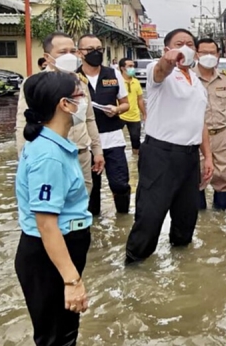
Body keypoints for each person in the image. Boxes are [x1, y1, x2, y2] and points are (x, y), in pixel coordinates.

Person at [15, 71, 92, 346]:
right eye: (79, 95)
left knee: (62, 329)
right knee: (56, 338)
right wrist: (72, 282)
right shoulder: (49, 156)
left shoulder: (54, 145)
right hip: (49, 253)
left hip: (59, 249)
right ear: (64, 104)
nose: (84, 102)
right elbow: (46, 224)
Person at [125, 29, 213, 264]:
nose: (185, 48)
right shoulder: (157, 71)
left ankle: (183, 266)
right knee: (150, 216)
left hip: (189, 156)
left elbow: (200, 122)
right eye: (179, 43)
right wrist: (168, 60)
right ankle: (135, 263)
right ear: (167, 49)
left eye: (190, 44)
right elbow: (161, 70)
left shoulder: (197, 82)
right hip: (160, 155)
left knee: (187, 217)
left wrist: (208, 157)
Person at [16, 32, 104, 196]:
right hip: (51, 157)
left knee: (81, 201)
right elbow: (23, 121)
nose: (69, 56)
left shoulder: (80, 82)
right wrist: (23, 157)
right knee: (51, 201)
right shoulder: (35, 84)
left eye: (73, 51)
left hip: (81, 153)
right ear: (47, 57)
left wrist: (97, 151)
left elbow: (89, 119)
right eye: (63, 52)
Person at [77, 35, 131, 215]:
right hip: (86, 141)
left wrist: (116, 109)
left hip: (113, 138)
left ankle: (123, 220)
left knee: (120, 184)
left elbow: (126, 104)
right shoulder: (73, 77)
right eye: (90, 49)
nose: (95, 53)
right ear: (80, 53)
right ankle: (93, 222)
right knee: (91, 188)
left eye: (99, 49)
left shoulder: (113, 74)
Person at [195, 38, 226, 211]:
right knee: (197, 177)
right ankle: (201, 218)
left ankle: (221, 218)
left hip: (221, 135)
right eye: (204, 52)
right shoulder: (189, 78)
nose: (208, 56)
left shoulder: (225, 79)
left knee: (223, 177)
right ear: (196, 54)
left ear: (218, 55)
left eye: (212, 53)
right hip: (196, 137)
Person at [118, 58, 146, 156]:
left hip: (134, 116)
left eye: (133, 66)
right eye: (130, 66)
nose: (132, 68)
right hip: (120, 116)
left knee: (136, 142)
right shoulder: (117, 81)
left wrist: (144, 114)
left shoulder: (136, 82)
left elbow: (140, 99)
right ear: (122, 68)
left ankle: (135, 160)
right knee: (117, 141)